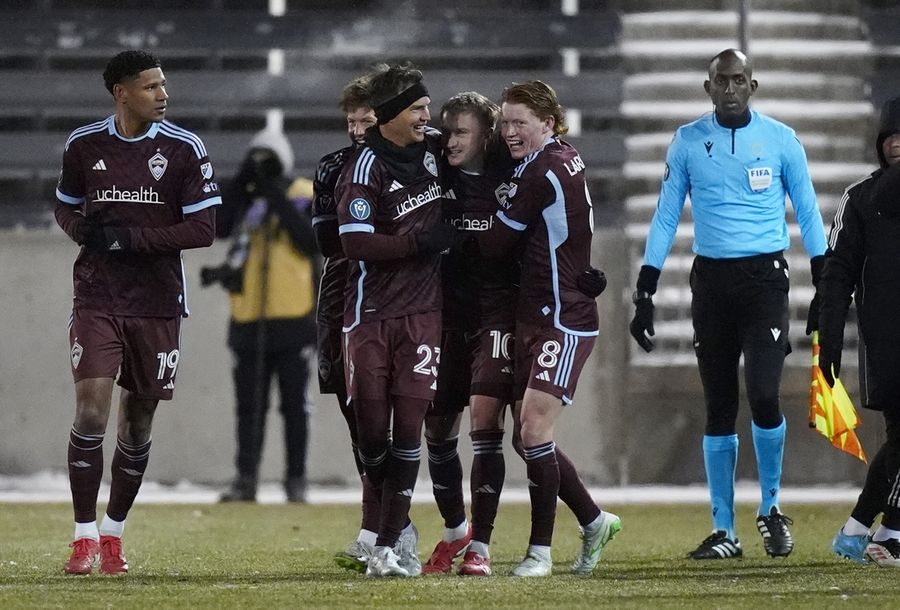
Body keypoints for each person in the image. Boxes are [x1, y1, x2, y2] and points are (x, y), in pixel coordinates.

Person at [629, 49, 827, 560]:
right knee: (718, 404)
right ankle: (725, 530)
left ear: (753, 86)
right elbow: (667, 212)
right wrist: (645, 289)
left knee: (763, 395)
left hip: (765, 280)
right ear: (708, 86)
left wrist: (825, 282)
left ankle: (772, 509)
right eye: (723, 80)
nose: (732, 88)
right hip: (711, 283)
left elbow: (807, 207)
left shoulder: (782, 140)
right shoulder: (689, 141)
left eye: (740, 80)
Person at [54, 50, 220, 575]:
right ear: (121, 92)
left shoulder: (184, 148)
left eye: (163, 85)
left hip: (157, 302)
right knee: (90, 411)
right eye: (151, 87)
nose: (163, 94)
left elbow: (203, 230)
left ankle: (113, 534)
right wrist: (80, 229)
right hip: (98, 296)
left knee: (139, 419)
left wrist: (128, 239)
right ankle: (83, 538)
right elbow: (63, 202)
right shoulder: (84, 145)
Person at [468, 80, 620, 577]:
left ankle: (540, 552)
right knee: (527, 438)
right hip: (537, 312)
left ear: (548, 124)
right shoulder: (560, 158)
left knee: (532, 431)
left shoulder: (541, 169)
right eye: (504, 122)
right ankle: (595, 520)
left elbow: (494, 244)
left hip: (562, 318)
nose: (509, 132)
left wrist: (454, 223)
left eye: (520, 123)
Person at [335, 62, 455, 578]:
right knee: (372, 438)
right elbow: (353, 242)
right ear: (387, 116)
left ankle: (386, 546)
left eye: (428, 106)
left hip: (423, 315)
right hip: (369, 316)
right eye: (418, 108)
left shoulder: (435, 152)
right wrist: (418, 243)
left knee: (410, 430)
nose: (428, 116)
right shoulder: (363, 170)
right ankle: (394, 529)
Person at [419, 92, 517, 576]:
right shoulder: (435, 173)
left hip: (495, 316)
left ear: (486, 134)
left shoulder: (513, 177)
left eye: (461, 131)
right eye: (448, 130)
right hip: (443, 316)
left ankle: (483, 548)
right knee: (437, 428)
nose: (450, 139)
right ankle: (458, 531)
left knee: (484, 424)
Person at [202, 128, 317, 504]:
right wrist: (243, 183)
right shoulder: (246, 201)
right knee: (248, 407)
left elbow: (309, 241)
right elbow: (219, 226)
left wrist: (274, 193)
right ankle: (246, 478)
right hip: (248, 317)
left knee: (295, 407)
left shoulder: (302, 192)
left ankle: (295, 480)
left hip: (295, 318)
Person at [821, 96, 900, 567]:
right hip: (886, 339)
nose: (895, 144)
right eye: (889, 136)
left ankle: (856, 530)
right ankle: (889, 535)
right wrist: (828, 335)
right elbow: (836, 273)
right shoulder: (861, 198)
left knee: (898, 441)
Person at [310, 73, 383, 571]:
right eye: (352, 120)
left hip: (395, 297)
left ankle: (388, 527)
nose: (357, 130)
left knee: (405, 417)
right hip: (341, 292)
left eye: (367, 119)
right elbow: (327, 242)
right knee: (354, 412)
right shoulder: (332, 167)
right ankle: (378, 523)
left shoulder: (420, 161)